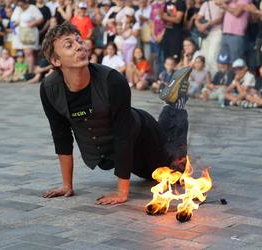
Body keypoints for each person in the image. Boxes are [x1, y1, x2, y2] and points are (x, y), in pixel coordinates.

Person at [40, 22, 191, 204]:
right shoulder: (50, 89)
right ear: (56, 61)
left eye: (79, 41)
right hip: (119, 151)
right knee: (149, 174)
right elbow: (61, 136)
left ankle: (176, 104)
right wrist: (66, 185)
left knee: (174, 169)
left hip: (143, 133)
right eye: (69, 44)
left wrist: (122, 192)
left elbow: (123, 135)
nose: (79, 46)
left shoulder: (112, 80)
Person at [11, 0, 44, 72]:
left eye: (21, 4)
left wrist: (33, 23)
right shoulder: (18, 8)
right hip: (21, 34)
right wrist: (14, 24)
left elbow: (41, 18)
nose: (20, 6)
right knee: (25, 53)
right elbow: (15, 20)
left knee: (28, 52)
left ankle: (31, 71)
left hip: (30, 33)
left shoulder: (33, 8)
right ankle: (27, 71)